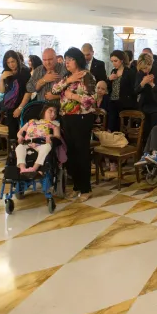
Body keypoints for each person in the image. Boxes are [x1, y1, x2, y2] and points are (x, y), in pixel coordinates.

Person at [52, 47, 97, 202]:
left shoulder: (87, 76)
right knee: (71, 153)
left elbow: (91, 100)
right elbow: (55, 89)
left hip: (82, 118)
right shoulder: (67, 77)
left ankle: (86, 189)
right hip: (67, 118)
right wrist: (69, 81)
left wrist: (73, 96)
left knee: (82, 153)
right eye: (65, 60)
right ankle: (77, 186)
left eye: (70, 59)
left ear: (77, 60)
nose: (67, 63)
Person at [16, 105, 61, 173]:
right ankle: (22, 168)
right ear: (44, 112)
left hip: (42, 144)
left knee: (47, 147)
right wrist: (20, 137)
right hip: (28, 143)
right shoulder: (32, 121)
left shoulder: (55, 124)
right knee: (19, 147)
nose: (53, 114)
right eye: (50, 111)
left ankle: (34, 168)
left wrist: (51, 136)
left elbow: (58, 136)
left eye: (55, 112)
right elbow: (19, 132)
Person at [135, 53, 157, 142]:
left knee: (155, 132)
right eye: (142, 68)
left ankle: (156, 153)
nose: (145, 71)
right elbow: (135, 91)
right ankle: (145, 152)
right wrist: (142, 83)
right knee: (145, 133)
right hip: (144, 106)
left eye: (146, 68)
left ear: (151, 64)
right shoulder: (140, 73)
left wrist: (152, 85)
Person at [0, 50, 31, 140]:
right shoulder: (5, 72)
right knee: (12, 134)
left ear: (17, 60)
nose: (11, 65)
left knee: (23, 133)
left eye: (13, 61)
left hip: (23, 106)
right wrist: (1, 79)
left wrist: (20, 108)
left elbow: (28, 92)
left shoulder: (25, 72)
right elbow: (2, 90)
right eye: (8, 62)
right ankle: (13, 153)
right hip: (9, 107)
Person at [108, 50, 137, 132]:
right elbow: (109, 87)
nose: (114, 63)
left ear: (121, 60)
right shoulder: (113, 71)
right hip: (113, 102)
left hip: (124, 103)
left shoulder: (129, 72)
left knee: (122, 127)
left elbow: (133, 89)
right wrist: (109, 79)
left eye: (115, 61)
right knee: (112, 126)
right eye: (112, 61)